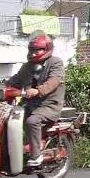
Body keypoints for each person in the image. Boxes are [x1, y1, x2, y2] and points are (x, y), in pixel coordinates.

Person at [7, 32, 65, 167]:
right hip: (29, 105)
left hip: (49, 105)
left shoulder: (55, 62)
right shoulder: (27, 66)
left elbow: (54, 81)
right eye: (31, 50)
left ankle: (36, 155)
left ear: (47, 49)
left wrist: (38, 90)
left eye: (38, 49)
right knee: (8, 118)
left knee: (32, 121)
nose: (33, 53)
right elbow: (14, 81)